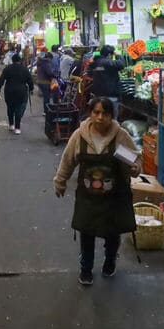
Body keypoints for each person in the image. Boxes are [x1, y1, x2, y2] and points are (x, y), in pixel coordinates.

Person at [53, 97, 139, 286]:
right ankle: (86, 269)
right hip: (88, 198)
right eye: (96, 112)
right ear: (90, 113)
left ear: (111, 115)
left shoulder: (121, 136)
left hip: (114, 197)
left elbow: (135, 161)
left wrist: (135, 169)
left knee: (112, 233)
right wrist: (60, 181)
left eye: (105, 113)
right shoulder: (79, 135)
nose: (100, 117)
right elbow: (68, 160)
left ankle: (110, 262)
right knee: (87, 233)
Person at [0, 53, 33, 135]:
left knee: (10, 108)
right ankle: (17, 128)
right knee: (18, 109)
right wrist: (31, 88)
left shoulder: (7, 68)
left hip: (9, 91)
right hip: (21, 91)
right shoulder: (24, 69)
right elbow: (30, 80)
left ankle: (11, 125)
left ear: (12, 60)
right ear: (20, 60)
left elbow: (1, 80)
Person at [88, 45, 125, 118]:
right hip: (110, 97)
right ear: (109, 54)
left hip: (98, 95)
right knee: (112, 119)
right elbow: (121, 64)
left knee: (101, 117)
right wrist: (118, 55)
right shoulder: (107, 62)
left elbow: (92, 69)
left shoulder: (96, 63)